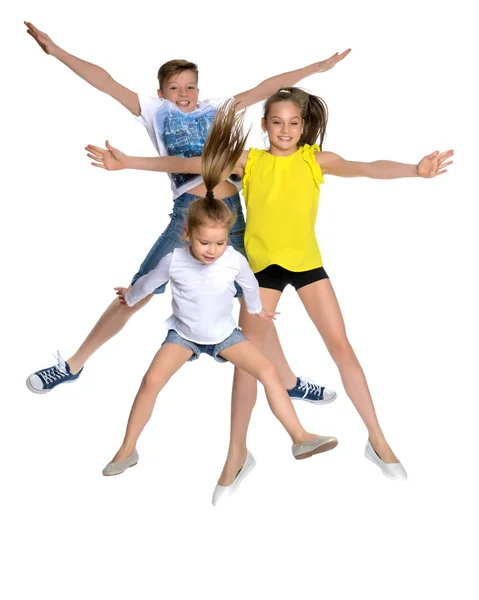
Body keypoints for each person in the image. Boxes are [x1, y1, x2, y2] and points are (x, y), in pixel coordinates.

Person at [87, 88, 454, 496]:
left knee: (342, 347)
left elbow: (367, 167)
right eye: (276, 122)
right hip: (261, 272)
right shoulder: (251, 161)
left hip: (308, 265)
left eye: (293, 123)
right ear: (264, 125)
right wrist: (130, 164)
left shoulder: (315, 160)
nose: (285, 130)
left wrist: (414, 170)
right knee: (247, 364)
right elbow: (190, 163)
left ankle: (378, 440)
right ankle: (236, 456)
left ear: (304, 126)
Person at [24, 21, 348, 405]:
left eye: (190, 86)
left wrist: (316, 68)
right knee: (138, 290)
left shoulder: (217, 110)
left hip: (233, 215)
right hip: (188, 213)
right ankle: (73, 365)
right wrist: (57, 51)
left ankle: (290, 380)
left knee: (252, 302)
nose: (184, 94)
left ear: (199, 88)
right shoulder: (154, 111)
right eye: (175, 88)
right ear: (161, 92)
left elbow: (265, 86)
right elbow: (105, 80)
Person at [101, 103, 338, 507]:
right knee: (150, 382)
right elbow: (148, 284)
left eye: (219, 243)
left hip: (226, 336)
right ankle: (127, 449)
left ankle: (300, 437)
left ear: (229, 236)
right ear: (188, 234)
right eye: (204, 243)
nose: (211, 251)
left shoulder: (235, 258)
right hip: (185, 336)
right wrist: (132, 293)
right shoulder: (174, 258)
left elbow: (249, 286)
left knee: (266, 370)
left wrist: (260, 310)